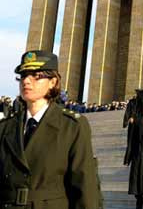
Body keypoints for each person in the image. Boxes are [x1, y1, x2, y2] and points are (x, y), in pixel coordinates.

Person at [0, 50, 100, 208]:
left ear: (53, 82)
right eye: (24, 75)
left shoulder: (72, 126)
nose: (26, 81)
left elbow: (84, 185)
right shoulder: (5, 128)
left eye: (36, 76)